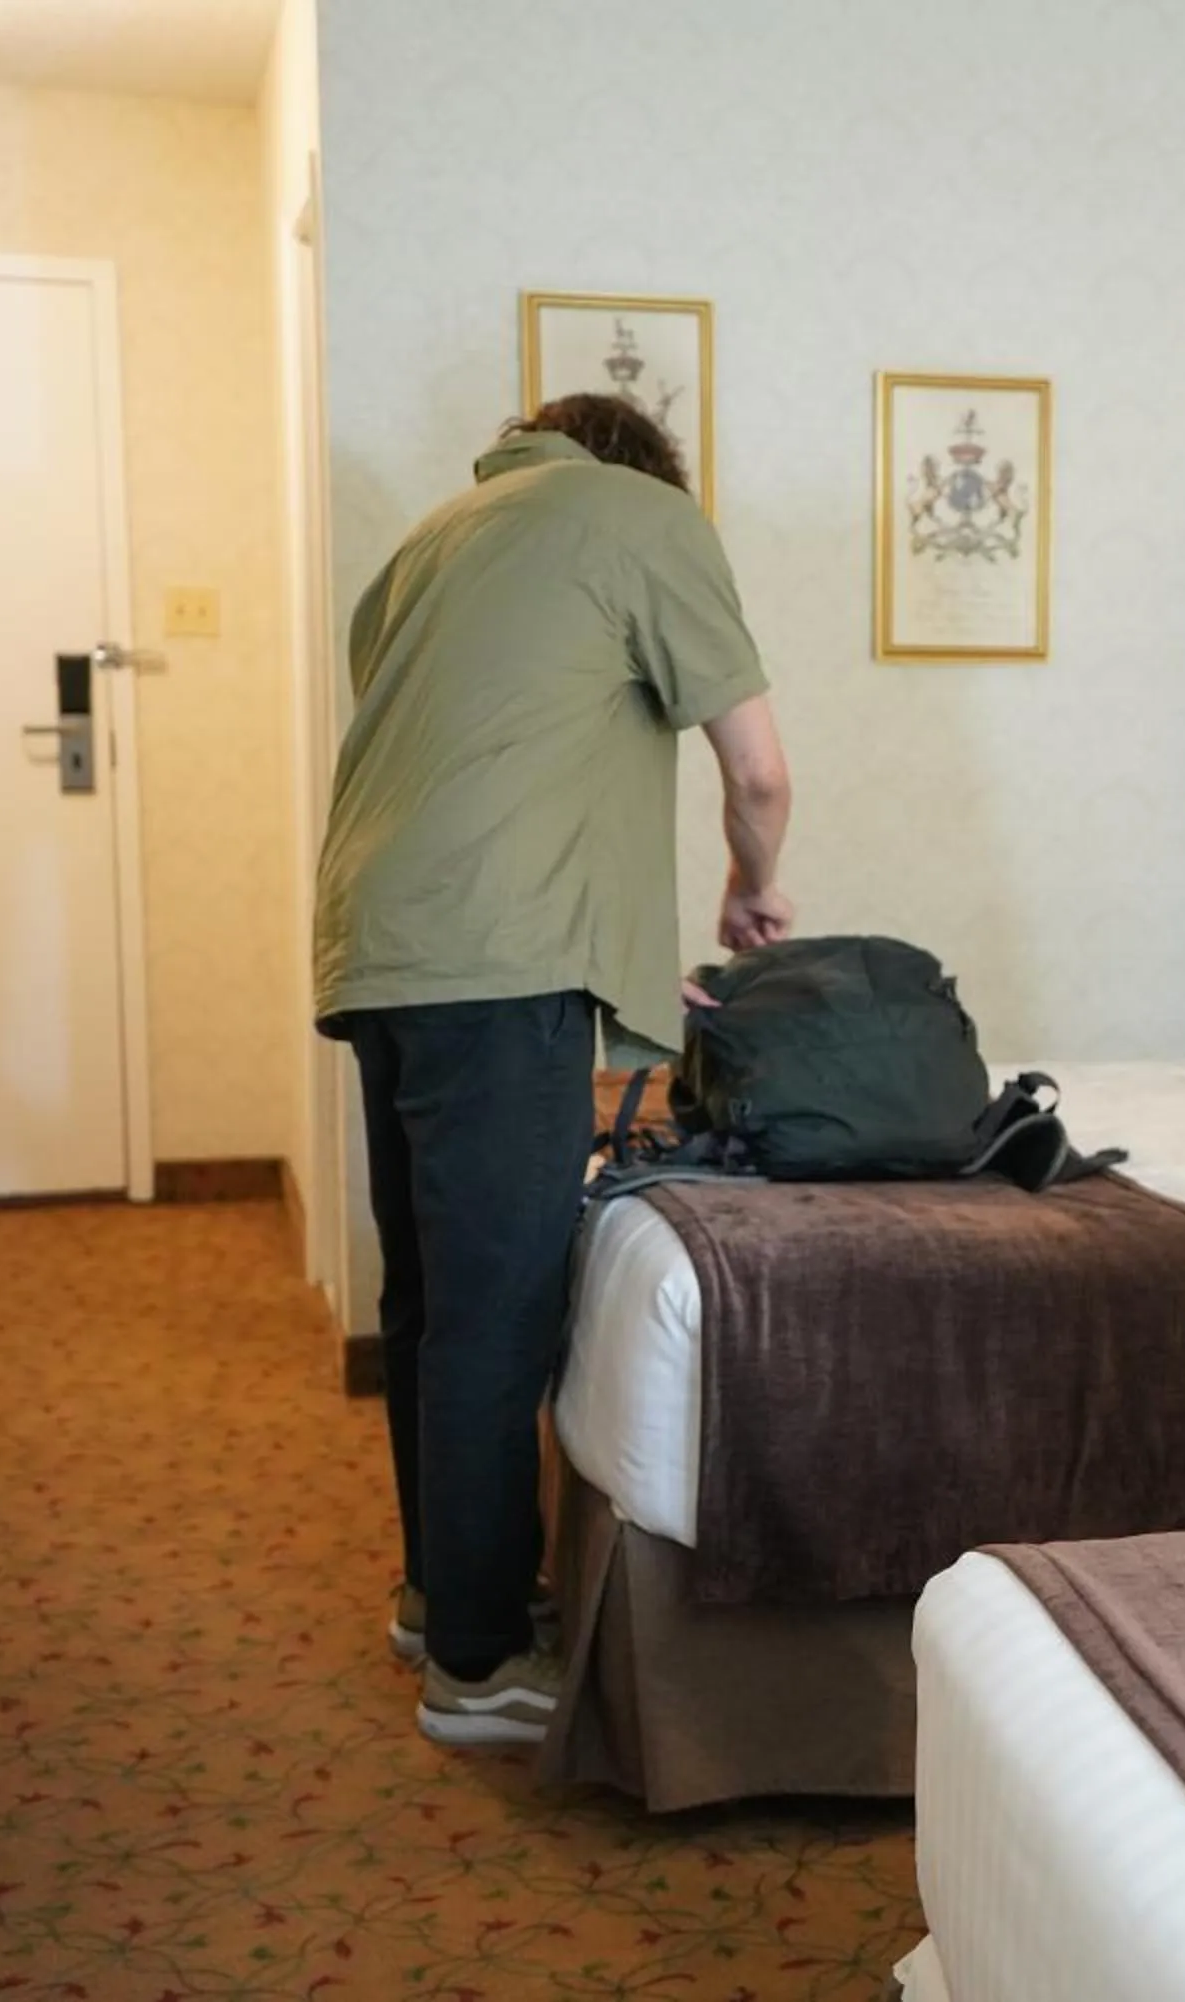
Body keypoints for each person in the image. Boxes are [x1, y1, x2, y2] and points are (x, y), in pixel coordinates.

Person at [312, 393, 793, 1744]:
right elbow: (758, 773)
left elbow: (500, 761)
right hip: (495, 964)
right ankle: (473, 1661)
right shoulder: (643, 517)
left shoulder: (430, 543)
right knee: (500, 1307)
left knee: (426, 1295)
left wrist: (626, 948)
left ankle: (434, 1593)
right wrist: (752, 892)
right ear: (641, 470)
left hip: (377, 941)